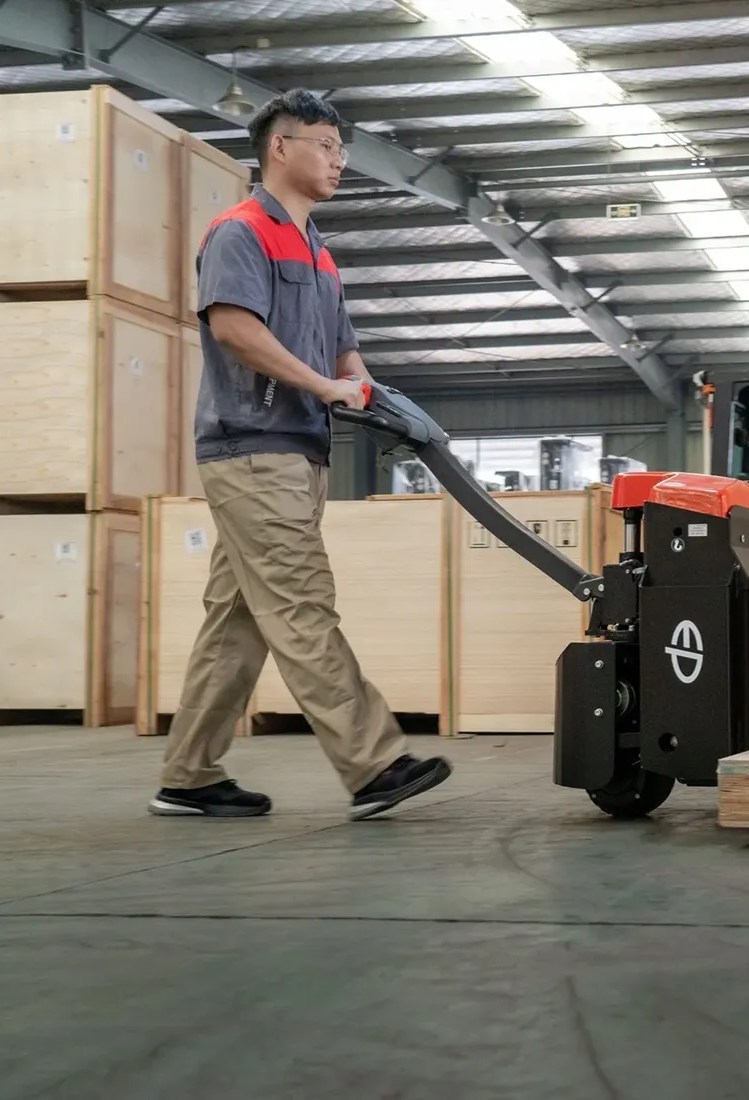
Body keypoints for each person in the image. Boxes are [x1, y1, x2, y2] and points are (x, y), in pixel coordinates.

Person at [150, 89, 451, 821]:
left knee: (238, 620)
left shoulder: (317, 250)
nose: (339, 160)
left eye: (342, 149)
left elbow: (344, 349)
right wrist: (323, 386)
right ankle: (374, 762)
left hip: (298, 450)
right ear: (279, 147)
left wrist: (370, 395)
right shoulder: (241, 231)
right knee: (301, 602)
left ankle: (188, 776)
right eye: (326, 145)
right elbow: (233, 327)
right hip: (254, 448)